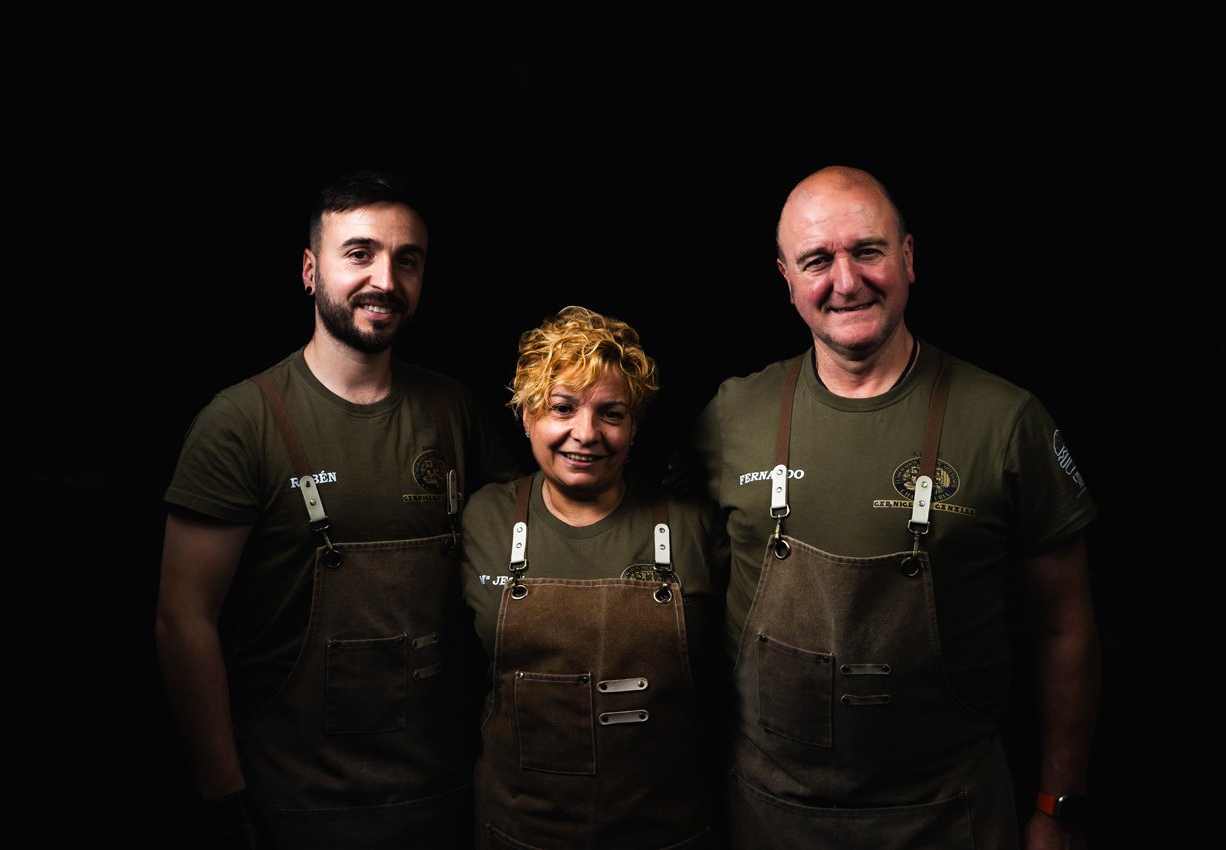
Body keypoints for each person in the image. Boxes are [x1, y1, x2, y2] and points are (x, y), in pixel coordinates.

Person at [685, 165, 1100, 849]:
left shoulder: (1005, 420)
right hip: (767, 817)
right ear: (786, 280)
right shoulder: (732, 415)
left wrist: (1058, 808)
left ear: (908, 258)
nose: (846, 282)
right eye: (817, 261)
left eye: (867, 251)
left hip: (949, 816)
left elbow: (1066, 628)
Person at [155, 168, 521, 849]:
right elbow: (183, 620)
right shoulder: (241, 423)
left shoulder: (453, 410)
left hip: (446, 798)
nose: (385, 279)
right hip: (292, 805)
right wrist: (224, 793)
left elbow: (531, 534)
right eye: (359, 253)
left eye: (407, 260)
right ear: (309, 269)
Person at [461, 305, 731, 849]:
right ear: (527, 414)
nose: (585, 434)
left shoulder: (691, 524)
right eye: (562, 407)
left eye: (611, 413)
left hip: (667, 829)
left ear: (633, 426)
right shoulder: (485, 517)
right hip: (519, 829)